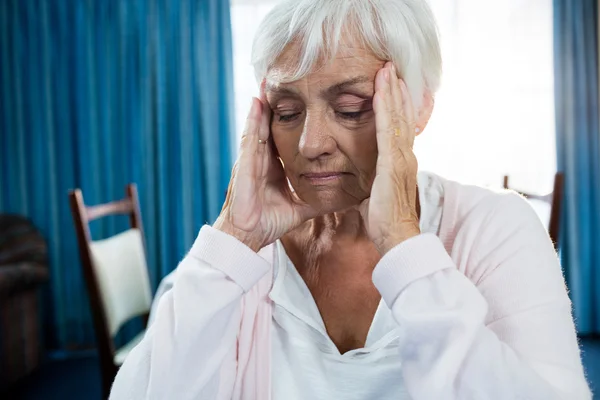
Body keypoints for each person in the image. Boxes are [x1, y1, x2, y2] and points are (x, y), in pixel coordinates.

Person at [110, 0, 591, 399]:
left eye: (349, 108)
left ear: (419, 107)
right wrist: (232, 240)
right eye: (287, 110)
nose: (309, 143)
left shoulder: (494, 226)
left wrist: (406, 246)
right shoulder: (242, 259)